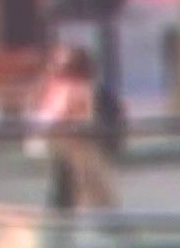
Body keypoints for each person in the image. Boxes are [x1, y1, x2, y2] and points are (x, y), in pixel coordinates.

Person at [30, 44, 118, 210]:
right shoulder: (60, 88)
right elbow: (51, 113)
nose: (53, 69)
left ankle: (101, 211)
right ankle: (67, 208)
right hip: (67, 140)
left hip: (77, 140)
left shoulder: (80, 89)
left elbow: (69, 114)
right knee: (74, 178)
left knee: (89, 179)